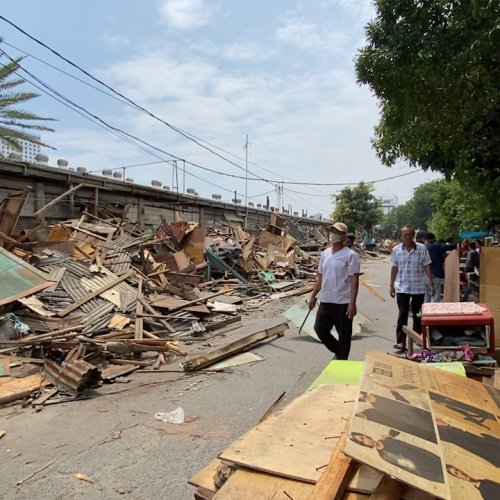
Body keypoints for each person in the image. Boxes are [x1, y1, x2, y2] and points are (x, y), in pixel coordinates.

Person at [308, 221, 361, 360]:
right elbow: (320, 277)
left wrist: (352, 303)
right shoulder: (325, 254)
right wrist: (313, 296)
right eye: (332, 231)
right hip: (326, 300)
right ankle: (340, 352)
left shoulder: (351, 255)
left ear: (343, 236)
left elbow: (354, 281)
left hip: (342, 302)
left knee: (344, 335)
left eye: (337, 232)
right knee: (319, 329)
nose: (333, 235)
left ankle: (342, 358)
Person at [390, 225, 433, 352]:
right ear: (401, 236)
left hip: (418, 287)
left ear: (413, 235)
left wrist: (430, 283)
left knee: (417, 315)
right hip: (402, 287)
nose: (407, 237)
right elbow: (394, 268)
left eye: (409, 234)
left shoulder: (422, 248)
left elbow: (426, 266)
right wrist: (391, 285)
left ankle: (417, 337)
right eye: (405, 234)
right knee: (402, 314)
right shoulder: (396, 250)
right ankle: (401, 342)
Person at [349, 430, 444, 483]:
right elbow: (411, 468)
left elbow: (414, 448)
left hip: (431, 458)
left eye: (362, 437)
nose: (365, 441)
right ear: (364, 445)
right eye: (362, 442)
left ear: (365, 435)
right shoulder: (384, 456)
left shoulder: (388, 438)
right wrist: (436, 477)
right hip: (428, 469)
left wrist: (391, 435)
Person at [423, 232, 457, 303]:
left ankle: (426, 312)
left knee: (426, 297)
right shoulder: (436, 246)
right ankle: (433, 313)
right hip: (435, 275)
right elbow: (452, 246)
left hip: (424, 276)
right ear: (432, 239)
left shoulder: (422, 248)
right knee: (435, 297)